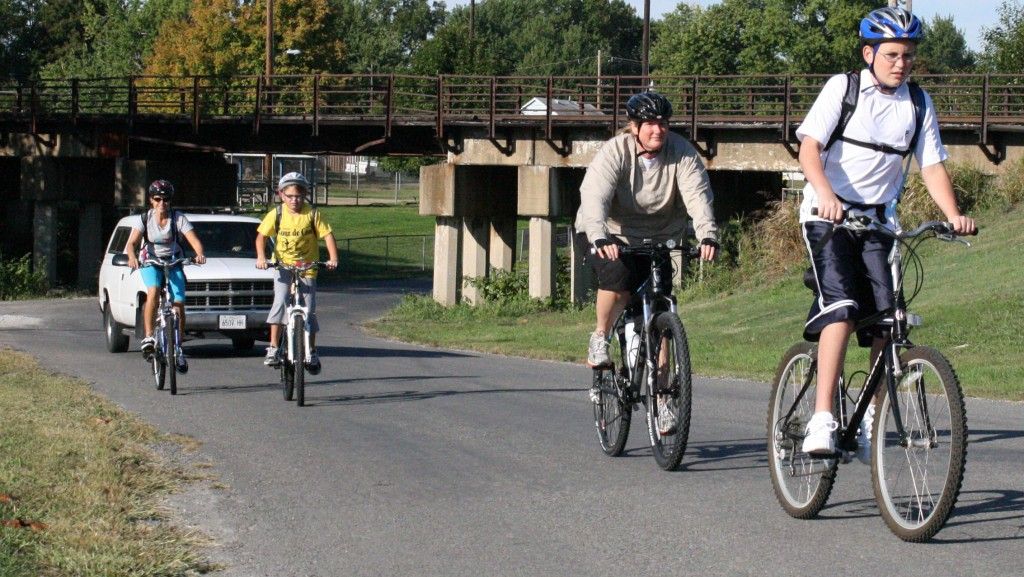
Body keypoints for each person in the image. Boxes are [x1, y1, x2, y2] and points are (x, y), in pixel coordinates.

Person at [795, 7, 976, 457]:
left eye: (908, 55)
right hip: (828, 216)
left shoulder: (918, 102)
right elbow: (809, 149)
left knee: (888, 319)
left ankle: (871, 417)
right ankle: (822, 417)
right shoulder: (843, 88)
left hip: (878, 221)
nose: (901, 63)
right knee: (842, 308)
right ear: (869, 53)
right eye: (892, 54)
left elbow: (931, 166)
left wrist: (953, 214)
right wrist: (825, 193)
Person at [575, 90, 719, 434]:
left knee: (662, 317)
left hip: (658, 238)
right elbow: (594, 195)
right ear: (635, 126)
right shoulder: (616, 151)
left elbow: (698, 195)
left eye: (663, 123)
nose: (658, 129)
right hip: (611, 234)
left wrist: (707, 234)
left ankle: (663, 401)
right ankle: (600, 336)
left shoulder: (681, 153)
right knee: (619, 282)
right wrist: (599, 236)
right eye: (650, 123)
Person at [255, 172, 339, 374]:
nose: (295, 200)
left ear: (305, 195)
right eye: (290, 196)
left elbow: (328, 236)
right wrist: (261, 258)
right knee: (280, 301)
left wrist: (333, 258)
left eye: (299, 196)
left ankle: (311, 350)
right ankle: (273, 347)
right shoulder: (277, 214)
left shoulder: (312, 214)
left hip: (307, 267)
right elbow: (261, 237)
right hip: (283, 266)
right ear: (281, 195)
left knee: (309, 310)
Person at [125, 179, 207, 373]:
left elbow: (194, 240)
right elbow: (131, 243)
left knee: (179, 302)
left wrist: (199, 254)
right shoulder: (144, 218)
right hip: (151, 262)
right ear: (151, 200)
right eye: (157, 199)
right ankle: (148, 336)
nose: (162, 203)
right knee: (153, 292)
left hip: (174, 261)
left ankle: (178, 346)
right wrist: (131, 257)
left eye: (166, 199)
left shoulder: (178, 218)